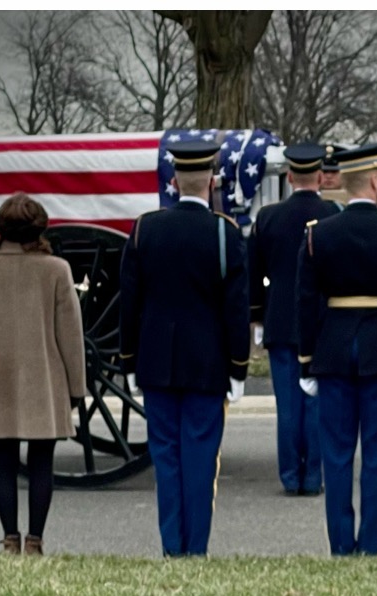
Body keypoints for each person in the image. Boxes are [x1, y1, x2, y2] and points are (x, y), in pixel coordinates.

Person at [119, 140, 250, 557]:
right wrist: (239, 367)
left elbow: (129, 303)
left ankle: (171, 547)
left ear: (173, 182)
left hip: (156, 361)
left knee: (167, 458)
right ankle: (196, 549)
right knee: (199, 459)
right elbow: (236, 310)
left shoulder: (144, 229)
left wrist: (128, 359)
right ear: (212, 182)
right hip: (207, 364)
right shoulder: (224, 233)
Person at [297, 141, 377, 556]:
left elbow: (306, 301)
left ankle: (340, 545)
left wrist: (306, 361)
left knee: (335, 456)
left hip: (333, 349)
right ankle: (371, 546)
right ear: (373, 181)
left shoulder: (318, 234)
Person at [0, 193, 86, 555]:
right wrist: (76, 386)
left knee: (3, 461)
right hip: (44, 379)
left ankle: (9, 539)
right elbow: (70, 336)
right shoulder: (56, 270)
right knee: (42, 463)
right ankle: (35, 540)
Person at [248, 143, 339, 496]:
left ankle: (290, 476)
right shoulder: (333, 213)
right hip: (322, 320)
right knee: (316, 402)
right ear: (319, 176)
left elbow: (253, 275)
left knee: (287, 405)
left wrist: (257, 317)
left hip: (281, 318)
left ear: (288, 177)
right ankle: (314, 475)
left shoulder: (267, 217)